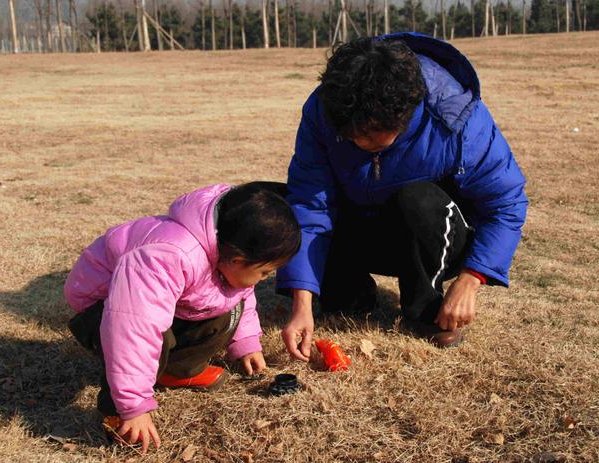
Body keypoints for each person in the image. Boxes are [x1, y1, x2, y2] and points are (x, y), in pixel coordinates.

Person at [277, 33, 528, 359]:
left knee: (418, 198)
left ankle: (425, 309)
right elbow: (311, 202)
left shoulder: (454, 116)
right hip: (362, 223)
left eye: (371, 139)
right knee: (270, 204)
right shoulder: (324, 107)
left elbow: (506, 204)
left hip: (432, 235)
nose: (357, 144)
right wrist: (302, 300)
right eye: (348, 136)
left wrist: (472, 278)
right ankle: (350, 296)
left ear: (405, 113)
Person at [64, 182, 300, 453]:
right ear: (236, 259)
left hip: (154, 305)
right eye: (265, 272)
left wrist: (246, 341)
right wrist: (132, 407)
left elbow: (239, 296)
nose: (264, 279)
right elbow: (132, 327)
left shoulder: (228, 248)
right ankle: (116, 411)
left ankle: (170, 372)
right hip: (102, 308)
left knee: (228, 311)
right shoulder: (168, 255)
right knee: (154, 336)